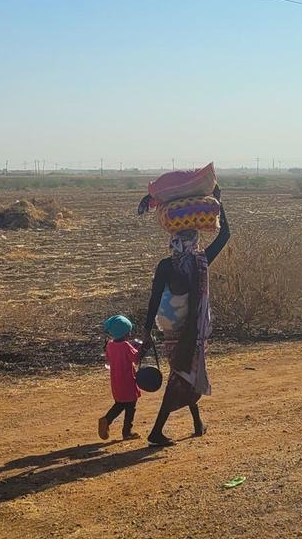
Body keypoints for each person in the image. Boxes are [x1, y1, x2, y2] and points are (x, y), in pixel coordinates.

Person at [142, 186, 230, 447]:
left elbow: (154, 298)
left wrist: (146, 331)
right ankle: (156, 431)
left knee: (185, 374)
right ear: (195, 241)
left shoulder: (166, 265)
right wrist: (219, 202)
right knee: (182, 376)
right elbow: (225, 234)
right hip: (191, 331)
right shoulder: (200, 262)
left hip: (170, 331)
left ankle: (196, 423)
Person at [99, 315, 141, 441]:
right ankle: (126, 431)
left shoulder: (110, 345)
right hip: (127, 380)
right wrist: (143, 348)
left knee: (120, 404)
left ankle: (107, 419)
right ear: (125, 333)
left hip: (116, 381)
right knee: (130, 406)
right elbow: (136, 359)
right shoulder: (126, 346)